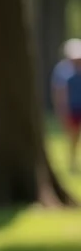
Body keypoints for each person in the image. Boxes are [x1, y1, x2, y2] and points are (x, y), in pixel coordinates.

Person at [52, 38, 81, 173]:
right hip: (71, 109)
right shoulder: (63, 71)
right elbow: (59, 92)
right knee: (72, 136)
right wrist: (61, 110)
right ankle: (72, 161)